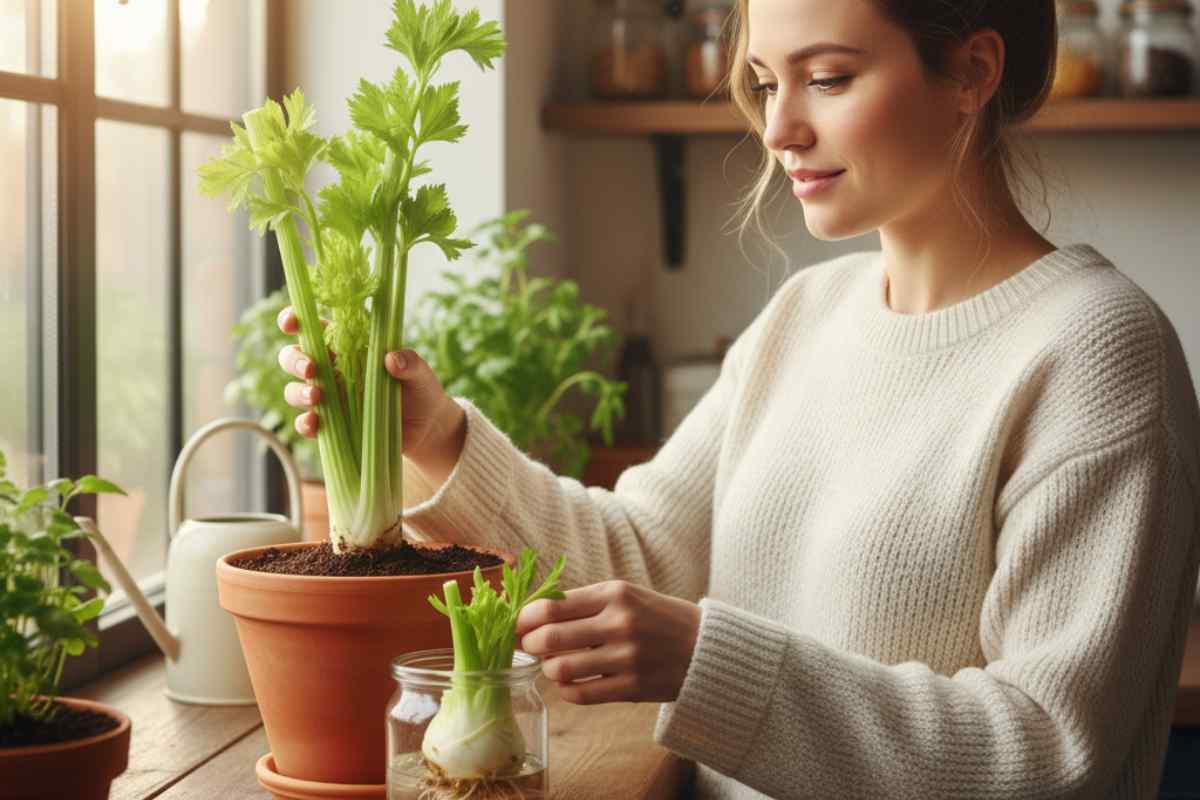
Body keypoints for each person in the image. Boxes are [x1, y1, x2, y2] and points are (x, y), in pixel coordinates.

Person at [276, 0, 1200, 797]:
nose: (779, 128)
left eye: (828, 79)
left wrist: (708, 665)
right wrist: (437, 437)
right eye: (764, 82)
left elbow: (1048, 747)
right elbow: (637, 557)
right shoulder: (804, 314)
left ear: (971, 71)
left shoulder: (1095, 352)